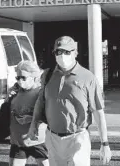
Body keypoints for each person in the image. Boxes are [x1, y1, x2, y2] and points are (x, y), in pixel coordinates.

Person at [28, 36, 111, 166]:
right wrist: (34, 124)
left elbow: (98, 112)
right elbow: (41, 101)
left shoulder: (88, 77)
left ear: (75, 53)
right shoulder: (47, 75)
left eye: (67, 52)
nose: (63, 56)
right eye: (58, 52)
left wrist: (104, 143)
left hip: (77, 138)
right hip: (52, 137)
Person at [9, 61, 49, 166]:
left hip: (37, 141)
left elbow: (48, 115)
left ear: (34, 77)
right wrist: (9, 97)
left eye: (23, 77)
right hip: (17, 141)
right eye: (17, 78)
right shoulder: (16, 91)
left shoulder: (40, 92)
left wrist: (30, 118)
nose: (20, 81)